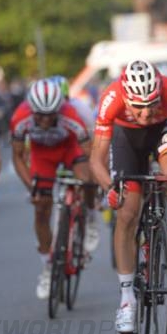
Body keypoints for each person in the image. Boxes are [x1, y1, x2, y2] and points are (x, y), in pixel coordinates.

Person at [90, 60, 167, 334]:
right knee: (127, 213)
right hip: (126, 138)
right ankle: (126, 302)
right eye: (139, 106)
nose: (146, 112)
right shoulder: (111, 98)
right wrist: (111, 187)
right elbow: (96, 160)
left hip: (164, 130)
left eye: (151, 104)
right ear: (126, 97)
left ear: (159, 92)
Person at [9, 78, 94, 299]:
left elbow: (90, 153)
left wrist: (91, 184)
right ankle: (47, 265)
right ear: (31, 109)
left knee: (86, 179)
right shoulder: (20, 118)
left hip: (70, 149)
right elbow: (17, 158)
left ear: (59, 109)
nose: (45, 120)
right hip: (42, 155)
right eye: (40, 115)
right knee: (41, 207)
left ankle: (87, 218)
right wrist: (32, 187)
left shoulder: (71, 115)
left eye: (50, 115)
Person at [49, 75, 99, 254]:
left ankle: (91, 215)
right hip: (55, 146)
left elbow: (93, 142)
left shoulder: (80, 108)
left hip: (77, 144)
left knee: (87, 181)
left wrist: (95, 172)